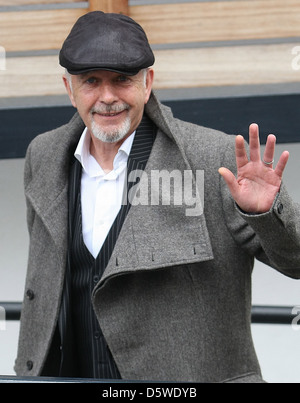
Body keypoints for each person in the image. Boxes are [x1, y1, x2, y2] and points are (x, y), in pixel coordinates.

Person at [15, 11, 300, 383]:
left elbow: (296, 262)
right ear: (70, 89)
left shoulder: (215, 159)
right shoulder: (44, 155)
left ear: (147, 82)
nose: (107, 97)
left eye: (122, 80)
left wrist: (267, 215)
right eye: (91, 81)